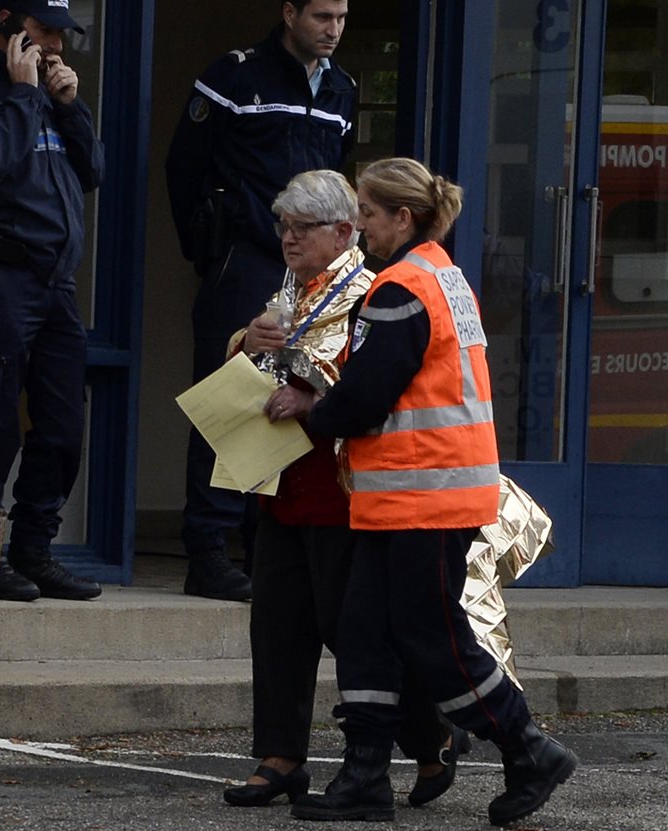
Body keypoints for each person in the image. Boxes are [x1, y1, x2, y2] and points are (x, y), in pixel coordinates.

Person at [279, 157, 577, 825]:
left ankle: (528, 746)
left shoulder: (399, 288)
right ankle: (364, 777)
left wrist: (309, 408)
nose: (361, 225)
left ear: (402, 217)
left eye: (370, 214)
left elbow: (366, 397)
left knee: (433, 639)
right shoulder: (440, 274)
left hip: (424, 495)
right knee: (366, 634)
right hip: (416, 494)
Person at [219, 170, 467, 811]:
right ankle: (280, 757)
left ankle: (429, 736)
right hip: (279, 478)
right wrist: (249, 342)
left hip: (344, 486)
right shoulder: (291, 287)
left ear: (343, 231)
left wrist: (311, 391)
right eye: (282, 226)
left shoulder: (371, 286)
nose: (288, 238)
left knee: (352, 629)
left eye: (302, 227)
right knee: (277, 624)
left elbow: (369, 386)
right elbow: (256, 368)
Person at [165, 0, 355, 601]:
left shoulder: (343, 89)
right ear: (290, 12)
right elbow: (183, 167)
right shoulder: (236, 75)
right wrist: (210, 252)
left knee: (292, 394)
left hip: (311, 271)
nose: (333, 29)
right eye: (322, 16)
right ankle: (209, 549)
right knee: (234, 392)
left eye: (343, 18)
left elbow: (336, 180)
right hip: (244, 259)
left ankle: (261, 541)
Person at [0, 0, 105, 602]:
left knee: (62, 428)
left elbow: (93, 170)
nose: (56, 43)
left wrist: (69, 105)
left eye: (63, 32)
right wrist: (26, 92)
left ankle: (34, 550)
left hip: (57, 284)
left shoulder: (50, 93)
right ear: (9, 22)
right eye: (44, 29)